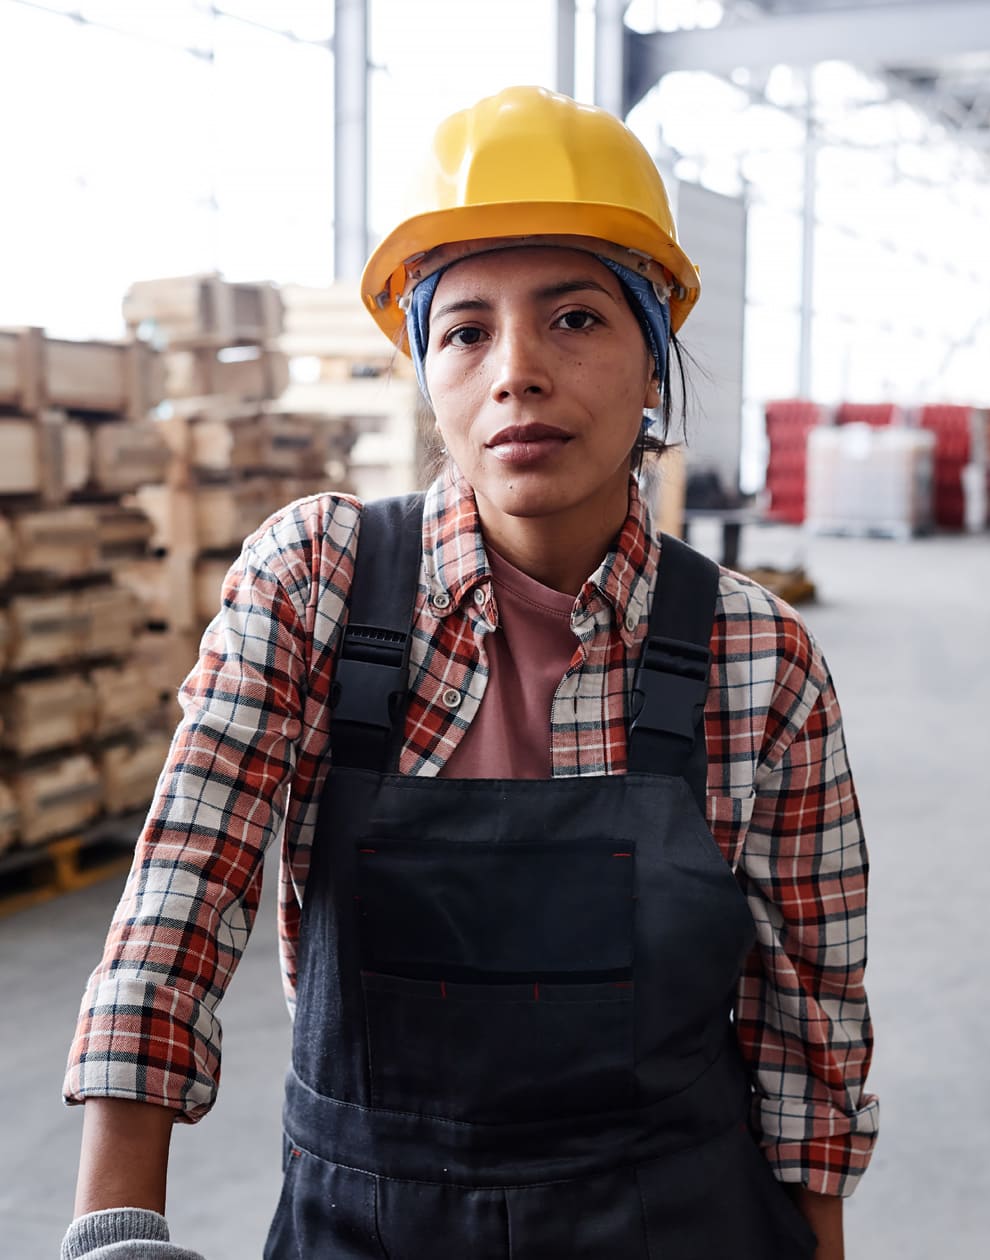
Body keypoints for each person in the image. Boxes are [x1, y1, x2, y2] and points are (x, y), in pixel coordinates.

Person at [61, 86, 877, 1260]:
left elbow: (810, 1016)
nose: (517, 373)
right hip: (369, 1220)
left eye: (577, 319)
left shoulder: (760, 658)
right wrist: (116, 1224)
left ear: (654, 362)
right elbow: (181, 895)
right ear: (426, 370)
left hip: (674, 1219)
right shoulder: (315, 585)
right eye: (466, 330)